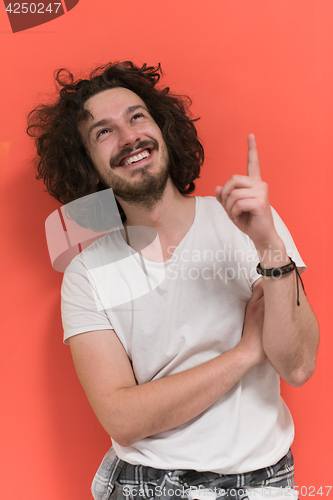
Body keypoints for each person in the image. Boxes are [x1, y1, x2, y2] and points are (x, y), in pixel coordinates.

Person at [27, 61, 319, 500]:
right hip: (145, 485)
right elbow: (122, 418)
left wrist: (268, 246)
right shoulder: (86, 274)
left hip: (262, 483)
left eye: (137, 117)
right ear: (85, 162)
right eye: (103, 132)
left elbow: (297, 366)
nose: (129, 138)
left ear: (163, 129)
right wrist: (244, 354)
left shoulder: (249, 226)